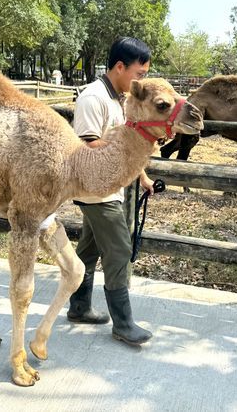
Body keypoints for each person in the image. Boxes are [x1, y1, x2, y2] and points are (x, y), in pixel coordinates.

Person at [68, 37, 154, 346]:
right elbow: (88, 145)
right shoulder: (93, 97)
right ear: (120, 67)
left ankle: (78, 307)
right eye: (139, 73)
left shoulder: (118, 98)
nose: (141, 79)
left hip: (110, 188)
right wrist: (127, 151)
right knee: (118, 250)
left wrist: (141, 176)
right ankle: (124, 323)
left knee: (89, 250)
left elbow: (124, 143)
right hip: (96, 191)